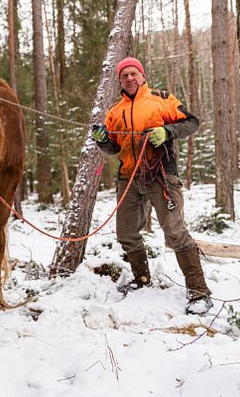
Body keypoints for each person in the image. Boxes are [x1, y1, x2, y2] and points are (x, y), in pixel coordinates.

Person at [91, 56, 213, 315]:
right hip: (128, 177)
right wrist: (102, 141)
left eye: (134, 74)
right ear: (120, 81)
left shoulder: (162, 99)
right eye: (124, 76)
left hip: (160, 174)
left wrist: (166, 132)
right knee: (125, 232)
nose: (129, 78)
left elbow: (191, 122)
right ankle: (142, 279)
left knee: (175, 232)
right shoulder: (114, 112)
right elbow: (113, 147)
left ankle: (199, 292)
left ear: (142, 76)